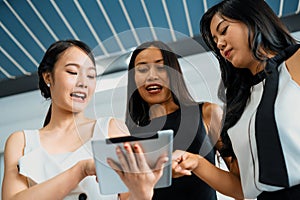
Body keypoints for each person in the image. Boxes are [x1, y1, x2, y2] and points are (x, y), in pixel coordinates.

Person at [1, 39, 168, 200]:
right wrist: (80, 170)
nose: (83, 83)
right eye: (73, 72)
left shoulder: (110, 129)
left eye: (91, 76)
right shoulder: (22, 141)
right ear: (48, 77)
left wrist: (143, 194)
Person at [172, 0, 300, 200]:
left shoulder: (295, 62)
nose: (219, 44)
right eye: (215, 41)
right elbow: (241, 188)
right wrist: (196, 162)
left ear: (253, 19)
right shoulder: (241, 103)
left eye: (223, 31)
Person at [125, 40, 227, 200]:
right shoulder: (129, 136)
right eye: (142, 69)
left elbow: (240, 185)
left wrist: (198, 163)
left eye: (161, 67)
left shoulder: (207, 113)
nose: (152, 75)